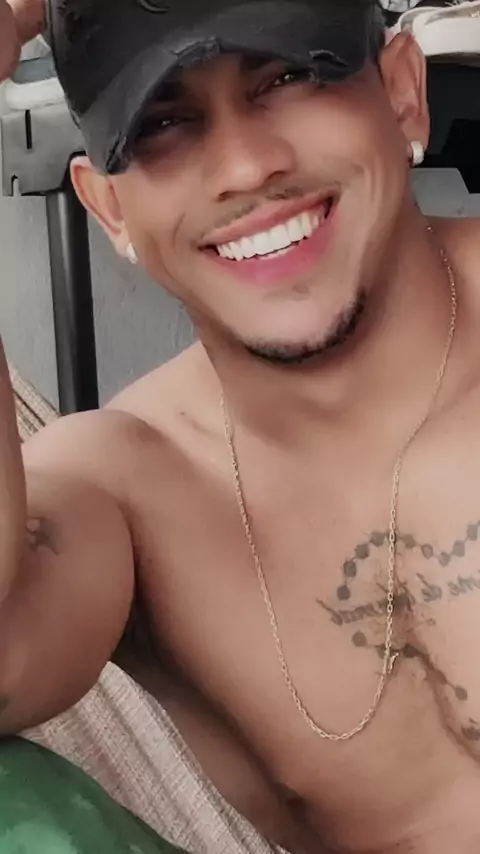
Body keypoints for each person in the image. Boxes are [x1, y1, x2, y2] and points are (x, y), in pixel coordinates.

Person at [1, 0, 480, 851]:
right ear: (108, 209)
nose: (248, 166)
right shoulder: (130, 485)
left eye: (291, 77)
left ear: (404, 92)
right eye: (162, 124)